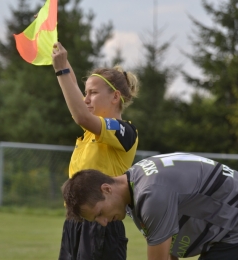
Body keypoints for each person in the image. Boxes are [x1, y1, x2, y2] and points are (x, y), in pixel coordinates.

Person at [52, 42, 139, 260]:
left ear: (115, 96)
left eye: (92, 93)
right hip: (75, 222)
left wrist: (60, 70)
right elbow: (71, 85)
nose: (85, 99)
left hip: (102, 222)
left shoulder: (125, 131)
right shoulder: (91, 131)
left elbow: (81, 115)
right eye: (85, 92)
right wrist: (54, 46)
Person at [62, 152, 238, 260]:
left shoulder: (151, 194)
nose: (103, 222)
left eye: (100, 213)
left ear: (106, 189)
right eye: (96, 220)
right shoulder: (134, 184)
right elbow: (167, 246)